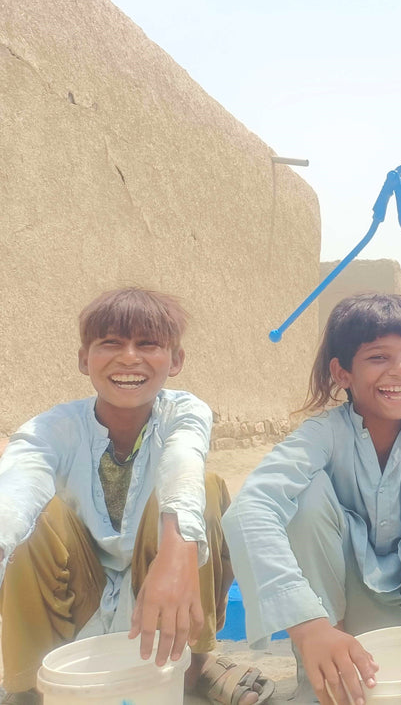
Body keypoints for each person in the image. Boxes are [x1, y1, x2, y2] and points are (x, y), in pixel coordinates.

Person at [221, 293, 401, 705]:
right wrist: (310, 627)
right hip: (339, 617)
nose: (400, 370)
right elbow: (248, 511)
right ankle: (323, 675)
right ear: (342, 373)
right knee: (302, 496)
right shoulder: (321, 435)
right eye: (378, 357)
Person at [0, 288, 273, 705]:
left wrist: (176, 552)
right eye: (110, 343)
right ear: (83, 359)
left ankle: (193, 666)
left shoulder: (185, 413)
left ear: (176, 360)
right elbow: (16, 490)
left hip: (167, 579)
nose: (129, 358)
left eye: (147, 344)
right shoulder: (52, 428)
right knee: (33, 518)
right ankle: (28, 687)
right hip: (76, 599)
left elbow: (183, 464)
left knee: (206, 490)